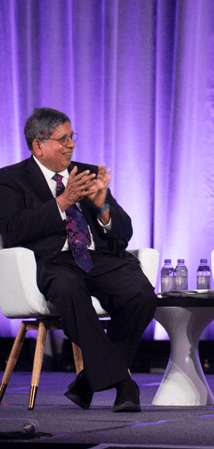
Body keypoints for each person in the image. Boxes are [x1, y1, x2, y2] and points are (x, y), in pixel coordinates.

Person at [0, 108, 156, 412]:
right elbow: (12, 230)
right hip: (53, 261)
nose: (71, 144)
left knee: (141, 295)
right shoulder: (11, 179)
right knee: (70, 291)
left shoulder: (86, 172)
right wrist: (63, 202)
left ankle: (87, 381)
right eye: (63, 139)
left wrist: (102, 207)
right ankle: (124, 384)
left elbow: (124, 233)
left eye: (72, 137)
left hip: (98, 257)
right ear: (38, 146)